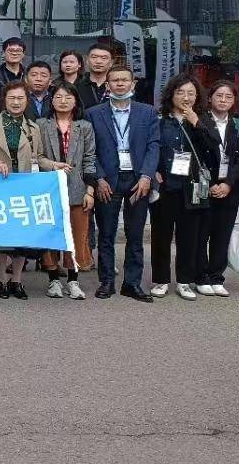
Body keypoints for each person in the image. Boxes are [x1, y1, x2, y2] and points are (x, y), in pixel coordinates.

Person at [0, 80, 64, 299]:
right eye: (11, 98)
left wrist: (53, 165)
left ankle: (17, 281)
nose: (16, 102)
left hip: (23, 188)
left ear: (27, 101)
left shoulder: (33, 128)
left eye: (20, 98)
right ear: (4, 100)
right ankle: (1, 280)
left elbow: (39, 157)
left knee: (21, 237)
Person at [86, 64, 161, 302]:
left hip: (138, 180)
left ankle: (132, 283)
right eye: (115, 80)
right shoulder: (93, 113)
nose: (120, 84)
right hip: (108, 180)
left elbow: (154, 146)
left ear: (133, 84)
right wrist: (99, 178)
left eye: (124, 80)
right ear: (107, 85)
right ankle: (106, 281)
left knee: (135, 235)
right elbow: (90, 150)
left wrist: (147, 176)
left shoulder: (147, 112)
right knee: (106, 234)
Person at [149, 74, 220, 301]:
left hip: (192, 188)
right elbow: (151, 147)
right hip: (164, 186)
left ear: (197, 96)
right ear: (171, 95)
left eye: (191, 93)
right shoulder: (159, 120)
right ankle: (161, 280)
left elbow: (213, 147)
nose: (186, 97)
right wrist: (153, 171)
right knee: (160, 236)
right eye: (180, 92)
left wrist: (196, 123)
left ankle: (184, 281)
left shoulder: (203, 120)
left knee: (189, 238)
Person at [36, 81, 95, 299]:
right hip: (48, 188)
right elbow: (36, 157)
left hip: (77, 188)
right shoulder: (41, 125)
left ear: (76, 101)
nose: (63, 101)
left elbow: (90, 159)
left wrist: (90, 190)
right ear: (51, 101)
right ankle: (53, 280)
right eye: (58, 97)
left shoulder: (84, 126)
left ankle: (73, 280)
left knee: (76, 235)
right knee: (50, 234)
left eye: (68, 97)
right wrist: (52, 165)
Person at [200, 81, 239, 298]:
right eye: (219, 95)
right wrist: (209, 184)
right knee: (202, 234)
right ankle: (201, 276)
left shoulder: (238, 125)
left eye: (228, 97)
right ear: (210, 98)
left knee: (222, 234)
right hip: (205, 186)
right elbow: (197, 156)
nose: (223, 100)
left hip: (229, 187)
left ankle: (216, 276)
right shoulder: (200, 121)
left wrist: (228, 184)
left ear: (234, 100)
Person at [0, 37, 27, 114]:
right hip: (0, 117)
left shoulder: (29, 74)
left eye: (18, 51)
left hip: (25, 117)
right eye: (11, 50)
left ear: (23, 54)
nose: (14, 53)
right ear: (3, 53)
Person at [79, 43, 113, 111]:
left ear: (111, 63)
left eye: (104, 58)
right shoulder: (77, 85)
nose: (98, 61)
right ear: (87, 61)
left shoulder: (117, 85)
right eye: (94, 57)